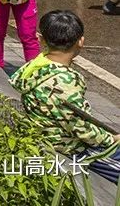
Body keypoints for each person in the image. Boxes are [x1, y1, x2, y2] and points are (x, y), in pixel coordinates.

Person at [9, 11, 120, 184]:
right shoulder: (66, 81)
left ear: (41, 39)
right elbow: (80, 128)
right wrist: (111, 138)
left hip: (47, 139)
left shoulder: (35, 66)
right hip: (71, 149)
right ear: (81, 41)